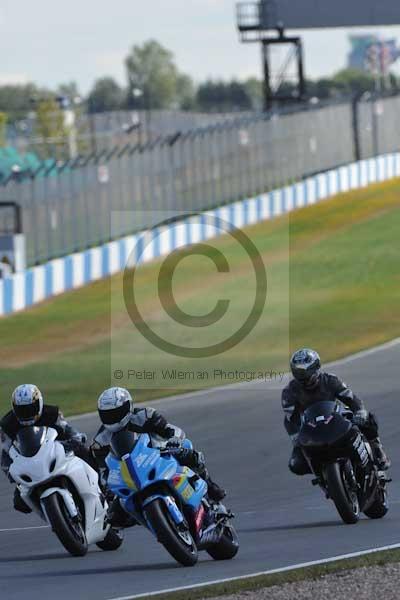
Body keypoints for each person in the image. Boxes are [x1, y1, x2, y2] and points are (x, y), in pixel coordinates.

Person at [90, 387, 226, 525]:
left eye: (116, 413)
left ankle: (210, 487)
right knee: (113, 518)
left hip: (159, 454)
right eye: (107, 415)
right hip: (130, 475)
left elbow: (172, 430)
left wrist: (175, 440)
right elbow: (103, 471)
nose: (112, 418)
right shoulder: (100, 442)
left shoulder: (145, 415)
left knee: (186, 446)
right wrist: (108, 489)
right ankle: (151, 518)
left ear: (128, 407)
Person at [282, 349, 390, 475]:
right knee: (296, 465)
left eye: (306, 372)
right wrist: (296, 439)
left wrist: (360, 411)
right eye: (298, 372)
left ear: (316, 367)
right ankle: (322, 476)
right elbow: (290, 419)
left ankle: (377, 448)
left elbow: (352, 399)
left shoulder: (330, 380)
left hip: (336, 419)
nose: (304, 377)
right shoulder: (289, 392)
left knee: (367, 418)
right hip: (311, 428)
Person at [0, 384, 91, 514]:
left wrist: (77, 438)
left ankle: (101, 485)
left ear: (39, 404)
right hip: (28, 461)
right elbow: (5, 452)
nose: (27, 413)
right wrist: (9, 470)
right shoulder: (7, 424)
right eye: (22, 410)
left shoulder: (52, 413)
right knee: (20, 503)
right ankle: (51, 512)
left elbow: (68, 429)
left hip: (58, 451)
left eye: (30, 408)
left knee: (84, 451)